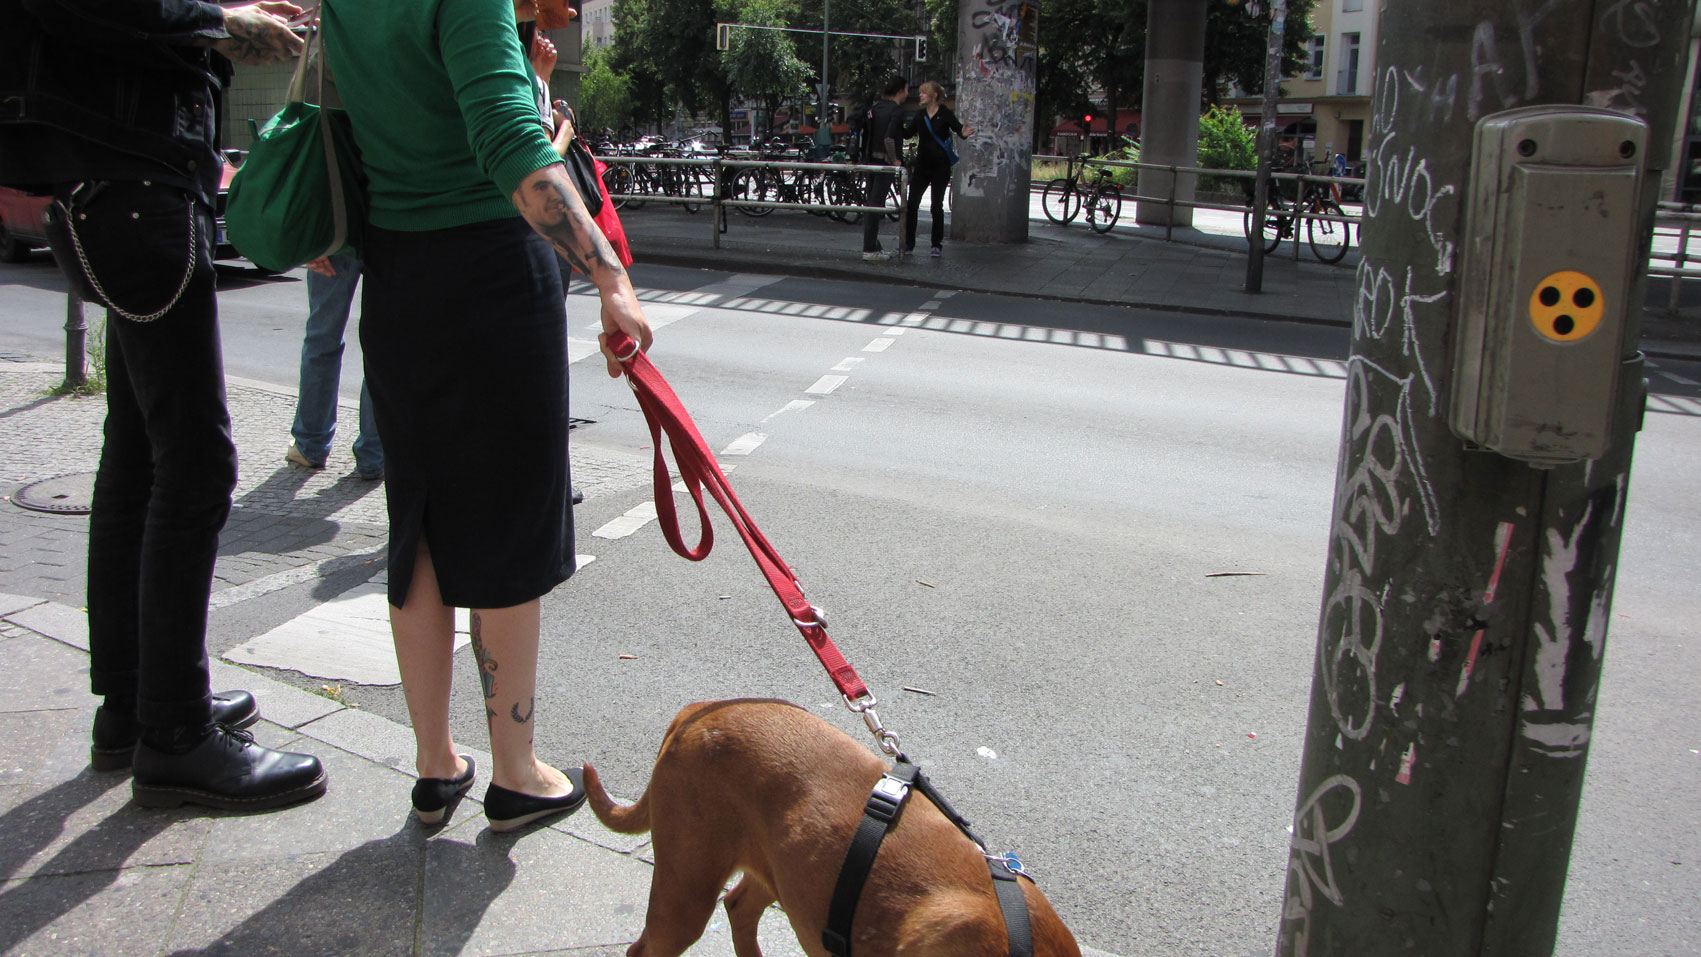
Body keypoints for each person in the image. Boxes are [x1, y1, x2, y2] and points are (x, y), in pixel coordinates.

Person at [317, 0, 653, 831]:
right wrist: (609, 274)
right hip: (492, 272)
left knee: (419, 522)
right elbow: (510, 143)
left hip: (398, 274)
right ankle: (515, 773)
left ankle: (435, 765)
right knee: (507, 521)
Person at [0, 0, 329, 809]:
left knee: (139, 454)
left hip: (111, 179)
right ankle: (175, 733)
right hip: (137, 179)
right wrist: (220, 19)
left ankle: (134, 701)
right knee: (194, 463)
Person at [287, 253, 384, 480]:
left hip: (338, 241)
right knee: (381, 348)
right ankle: (374, 455)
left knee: (322, 338)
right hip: (388, 239)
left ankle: (310, 444)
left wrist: (315, 245)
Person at [901, 80, 975, 258]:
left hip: (940, 166)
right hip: (922, 165)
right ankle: (908, 244)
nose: (920, 95)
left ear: (934, 95)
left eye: (924, 92)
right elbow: (908, 134)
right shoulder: (920, 115)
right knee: (912, 205)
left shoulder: (945, 113)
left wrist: (964, 133)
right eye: (920, 92)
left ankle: (936, 244)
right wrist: (896, 124)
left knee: (936, 206)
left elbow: (959, 130)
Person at [860, 76, 909, 263]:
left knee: (871, 203)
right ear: (900, 91)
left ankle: (872, 244)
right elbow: (889, 138)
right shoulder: (897, 111)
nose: (907, 93)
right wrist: (895, 159)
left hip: (871, 160)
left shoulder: (876, 107)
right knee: (876, 204)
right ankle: (870, 249)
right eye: (906, 89)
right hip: (885, 162)